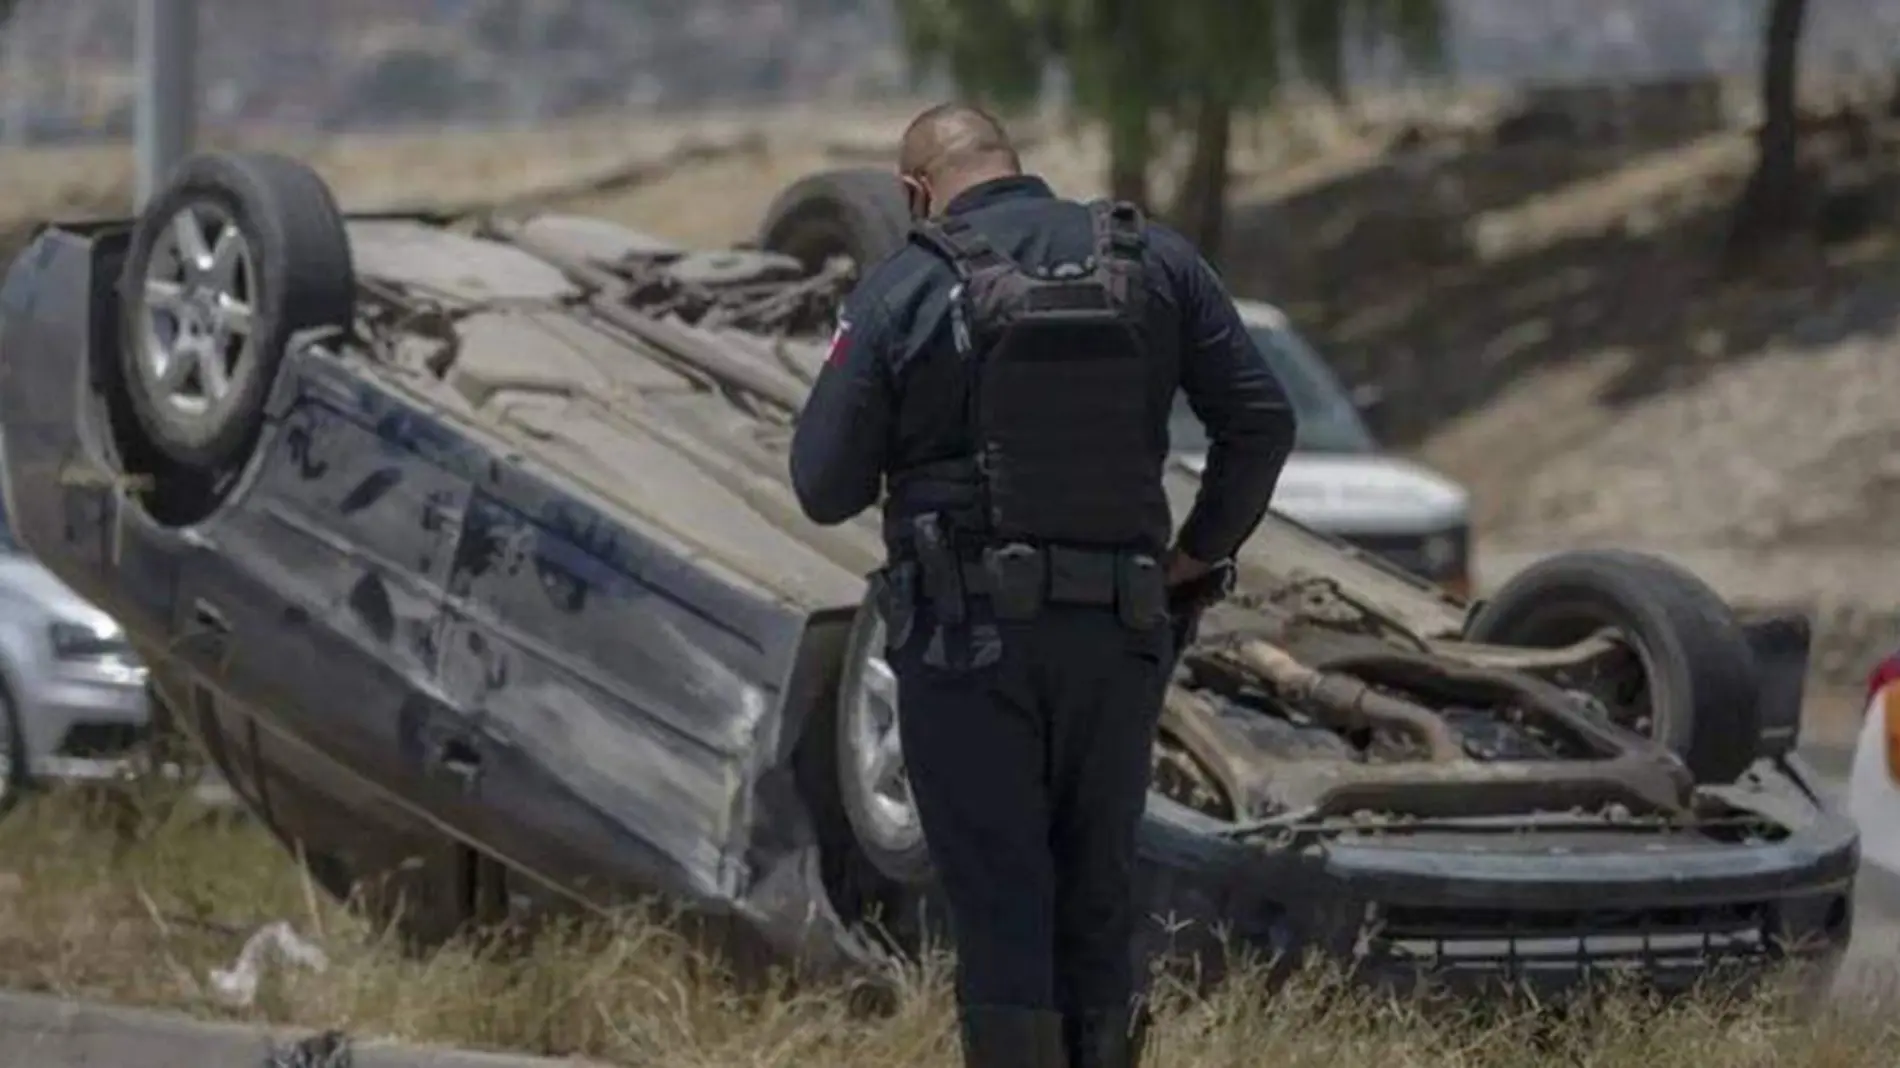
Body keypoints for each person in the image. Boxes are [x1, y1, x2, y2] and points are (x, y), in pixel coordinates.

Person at [789, 102, 1297, 1068]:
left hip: (966, 644)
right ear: (1016, 167)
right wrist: (1198, 555)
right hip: (1121, 638)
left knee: (1001, 901)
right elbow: (1262, 423)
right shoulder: (1158, 260)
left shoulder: (907, 284)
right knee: (1098, 894)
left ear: (913, 191)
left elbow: (823, 486)